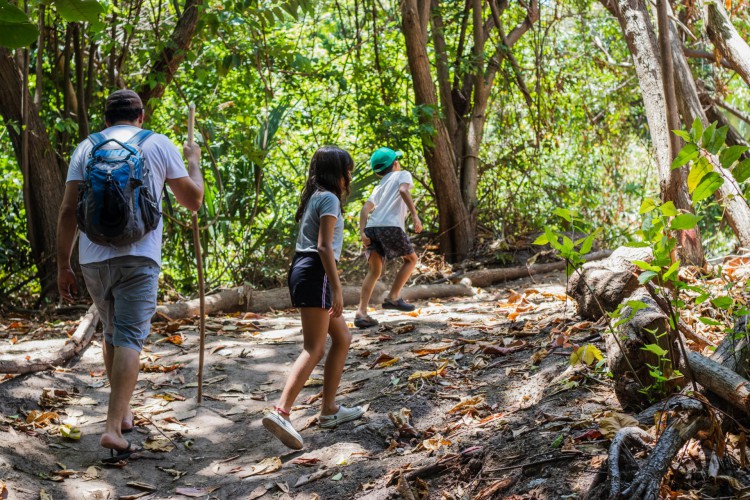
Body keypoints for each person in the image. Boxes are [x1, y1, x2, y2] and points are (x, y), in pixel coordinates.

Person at [56, 89, 204, 462]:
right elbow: (194, 200)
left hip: (92, 259)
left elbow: (68, 211)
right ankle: (111, 428)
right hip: (139, 257)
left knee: (111, 333)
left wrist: (63, 265)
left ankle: (121, 414)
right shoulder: (157, 143)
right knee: (130, 339)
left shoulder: (86, 148)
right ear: (140, 116)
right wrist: (194, 161)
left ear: (105, 119)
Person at [261, 146, 364, 450]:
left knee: (342, 337)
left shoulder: (315, 196)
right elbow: (323, 246)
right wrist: (337, 286)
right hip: (315, 271)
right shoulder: (329, 198)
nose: (350, 176)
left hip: (304, 269)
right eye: (349, 170)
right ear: (338, 172)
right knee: (314, 348)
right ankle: (281, 411)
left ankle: (329, 410)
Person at [354, 147, 423, 328]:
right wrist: (415, 216)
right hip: (390, 226)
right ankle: (393, 297)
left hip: (372, 228)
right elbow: (403, 191)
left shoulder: (380, 185)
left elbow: (364, 210)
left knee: (374, 271)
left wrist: (362, 233)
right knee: (411, 259)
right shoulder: (403, 174)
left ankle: (361, 313)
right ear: (395, 163)